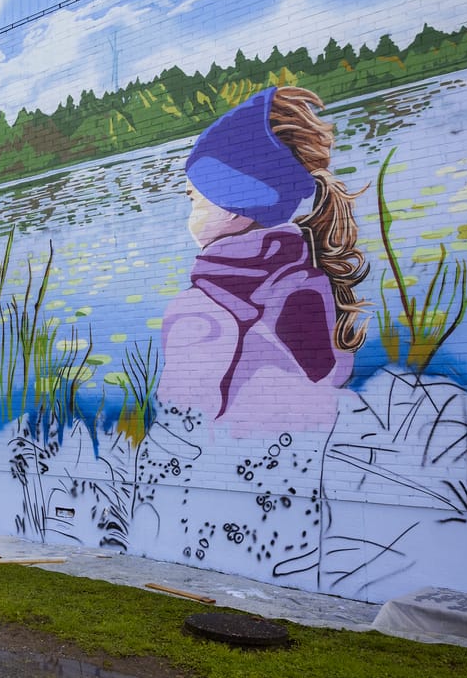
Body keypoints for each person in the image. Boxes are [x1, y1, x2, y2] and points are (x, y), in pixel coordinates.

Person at [156, 86, 368, 436]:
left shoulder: (198, 310)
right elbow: (334, 382)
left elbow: (179, 428)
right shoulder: (313, 278)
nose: (189, 213)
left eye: (194, 199)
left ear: (234, 207)